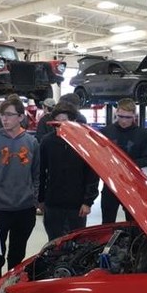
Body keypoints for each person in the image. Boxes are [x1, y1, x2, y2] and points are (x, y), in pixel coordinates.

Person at [0, 94, 40, 284]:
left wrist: (33, 199)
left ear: (21, 117)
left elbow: (36, 174)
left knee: (17, 256)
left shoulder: (32, 143)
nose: (4, 119)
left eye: (9, 114)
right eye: (2, 115)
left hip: (24, 210)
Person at [38, 102, 99, 240]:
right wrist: (40, 198)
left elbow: (92, 175)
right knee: (54, 242)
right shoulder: (47, 142)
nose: (61, 124)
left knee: (76, 242)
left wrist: (88, 201)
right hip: (53, 202)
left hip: (77, 204)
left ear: (73, 121)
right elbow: (41, 172)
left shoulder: (84, 143)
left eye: (64, 120)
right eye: (57, 121)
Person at [100, 98, 147, 223]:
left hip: (133, 185)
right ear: (116, 113)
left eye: (128, 117)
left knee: (133, 223)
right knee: (107, 222)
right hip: (111, 184)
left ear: (134, 116)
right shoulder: (106, 132)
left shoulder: (142, 133)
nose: (124, 120)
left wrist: (129, 164)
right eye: (121, 116)